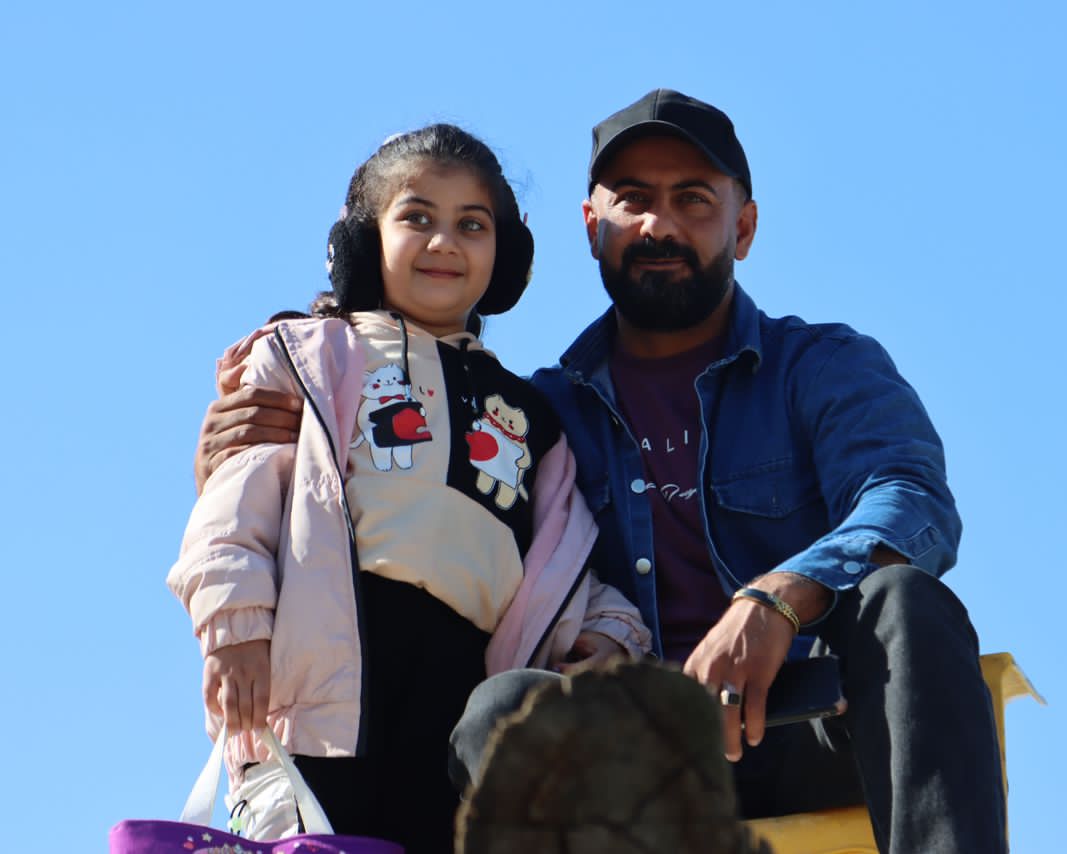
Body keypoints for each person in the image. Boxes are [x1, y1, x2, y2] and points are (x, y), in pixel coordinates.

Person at [196, 92, 1008, 854]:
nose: (660, 223)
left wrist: (778, 600)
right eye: (633, 199)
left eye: (694, 199)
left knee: (905, 602)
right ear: (592, 226)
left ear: (744, 225)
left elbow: (911, 501)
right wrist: (251, 445)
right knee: (504, 710)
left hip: (817, 724)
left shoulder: (821, 365)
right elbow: (419, 512)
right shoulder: (535, 417)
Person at [169, 124, 651, 854]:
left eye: (472, 224)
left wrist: (612, 635)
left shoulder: (532, 419)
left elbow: (562, 560)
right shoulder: (310, 358)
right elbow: (235, 508)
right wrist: (234, 632)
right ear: (363, 240)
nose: (444, 242)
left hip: (459, 704)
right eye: (417, 217)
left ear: (508, 255)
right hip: (322, 700)